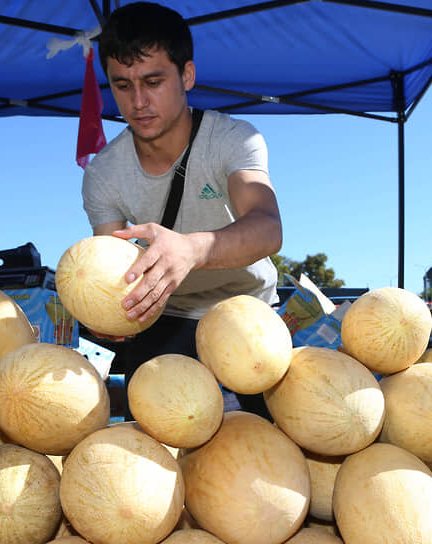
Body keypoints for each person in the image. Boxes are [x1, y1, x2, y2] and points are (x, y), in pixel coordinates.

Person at [82, 2, 282, 420]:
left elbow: (267, 228)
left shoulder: (233, 138)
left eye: (153, 81)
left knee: (271, 443)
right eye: (122, 85)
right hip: (165, 320)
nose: (138, 101)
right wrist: (104, 310)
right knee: (156, 452)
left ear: (186, 75)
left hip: (248, 312)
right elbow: (110, 268)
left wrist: (192, 249)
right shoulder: (103, 173)